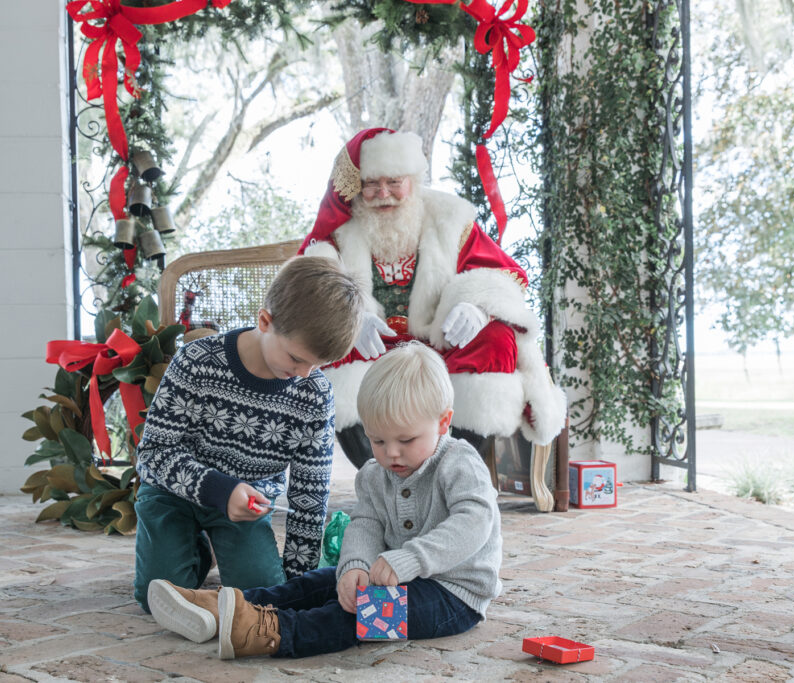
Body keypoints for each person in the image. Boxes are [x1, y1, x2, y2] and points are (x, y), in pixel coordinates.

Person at [144, 341, 503, 660]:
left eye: (406, 440)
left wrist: (411, 558)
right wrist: (354, 568)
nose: (391, 453)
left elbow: (473, 521)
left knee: (361, 615)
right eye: (377, 441)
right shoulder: (376, 475)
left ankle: (268, 632)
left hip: (453, 595)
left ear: (443, 423)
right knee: (316, 583)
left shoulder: (460, 462)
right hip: (393, 577)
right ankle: (224, 607)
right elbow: (366, 525)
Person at [297, 127, 566, 466]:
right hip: (373, 347)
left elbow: (502, 275)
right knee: (330, 345)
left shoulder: (451, 219)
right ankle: (379, 475)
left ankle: (457, 468)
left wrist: (477, 308)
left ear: (413, 180)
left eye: (394, 181)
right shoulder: (338, 233)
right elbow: (311, 289)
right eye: (371, 184)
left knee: (497, 339)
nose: (384, 193)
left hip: (440, 344)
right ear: (357, 187)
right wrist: (348, 318)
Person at [132, 256, 365, 612]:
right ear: (265, 321)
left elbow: (309, 498)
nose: (304, 374)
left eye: (317, 366)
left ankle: (217, 546)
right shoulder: (197, 362)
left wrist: (296, 585)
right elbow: (152, 453)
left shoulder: (314, 394)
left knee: (261, 596)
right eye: (296, 359)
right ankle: (193, 550)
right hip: (172, 494)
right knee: (157, 598)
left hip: (245, 507)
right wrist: (219, 489)